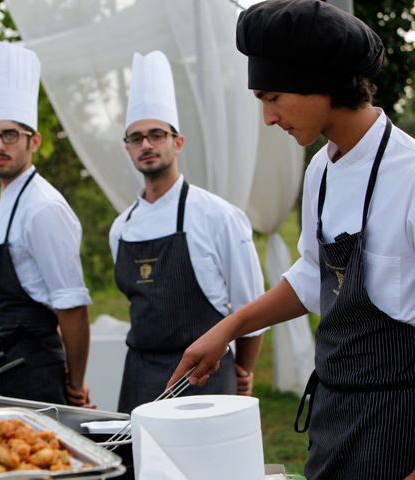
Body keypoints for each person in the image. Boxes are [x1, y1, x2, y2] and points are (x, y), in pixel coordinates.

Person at [168, 1, 415, 478]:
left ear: (322, 83)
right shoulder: (321, 169)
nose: (267, 118)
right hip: (335, 413)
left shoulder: (409, 177)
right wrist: (227, 329)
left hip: (400, 426)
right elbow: (313, 275)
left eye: (273, 96)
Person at [110, 50, 266, 414]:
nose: (147, 145)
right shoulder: (121, 229)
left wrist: (241, 368)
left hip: (205, 377)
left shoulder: (218, 216)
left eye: (156, 135)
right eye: (136, 138)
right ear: (128, 149)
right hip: (140, 376)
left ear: (177, 143)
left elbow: (250, 307)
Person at [0, 42, 91, 407]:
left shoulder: (43, 208)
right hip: (3, 366)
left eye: (11, 135)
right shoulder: (7, 203)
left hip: (36, 372)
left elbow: (72, 306)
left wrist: (76, 384)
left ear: (34, 141)